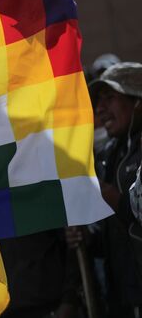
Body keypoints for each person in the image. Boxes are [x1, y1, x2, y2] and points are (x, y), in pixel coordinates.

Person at [82, 62, 142, 317]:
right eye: (98, 101)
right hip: (120, 299)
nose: (100, 109)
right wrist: (86, 239)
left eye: (110, 98)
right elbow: (108, 235)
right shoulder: (107, 155)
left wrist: (106, 193)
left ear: (137, 99)